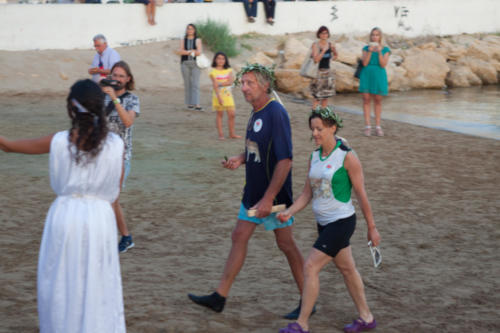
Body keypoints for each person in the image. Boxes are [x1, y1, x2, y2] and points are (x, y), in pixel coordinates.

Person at [0, 79, 126, 332]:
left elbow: (7, 145)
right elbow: (115, 191)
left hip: (65, 216)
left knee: (61, 281)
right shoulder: (116, 145)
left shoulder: (58, 141)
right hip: (101, 219)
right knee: (98, 281)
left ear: (72, 108)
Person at [188, 63, 307, 320]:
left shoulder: (276, 113)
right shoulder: (256, 111)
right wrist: (240, 158)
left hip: (273, 196)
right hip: (253, 191)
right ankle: (220, 296)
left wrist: (268, 198)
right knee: (239, 235)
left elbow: (285, 160)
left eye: (249, 83)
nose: (243, 88)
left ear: (265, 86)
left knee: (286, 245)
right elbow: (257, 148)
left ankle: (308, 298)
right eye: (242, 83)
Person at [277, 106, 381, 333]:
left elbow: (362, 195)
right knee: (347, 269)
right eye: (312, 129)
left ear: (333, 128)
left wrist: (371, 228)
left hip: (342, 222)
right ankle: (366, 317)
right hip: (323, 224)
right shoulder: (314, 156)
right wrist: (290, 212)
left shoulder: (347, 156)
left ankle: (302, 324)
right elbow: (307, 193)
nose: (315, 133)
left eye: (319, 129)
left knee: (311, 266)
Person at [101, 60, 140, 253]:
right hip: (100, 155)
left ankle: (125, 236)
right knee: (103, 197)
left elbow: (128, 122)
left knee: (112, 199)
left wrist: (115, 99)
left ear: (128, 79)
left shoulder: (132, 99)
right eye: (114, 75)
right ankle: (122, 236)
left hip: (121, 157)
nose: (116, 79)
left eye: (121, 76)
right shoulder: (101, 97)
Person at [359, 27, 391, 137]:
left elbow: (383, 64)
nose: (375, 37)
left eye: (377, 35)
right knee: (366, 100)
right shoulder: (365, 48)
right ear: (370, 36)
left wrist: (379, 53)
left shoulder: (385, 49)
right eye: (373, 35)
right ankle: (368, 126)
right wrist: (370, 51)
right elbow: (364, 63)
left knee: (378, 100)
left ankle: (378, 126)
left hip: (379, 75)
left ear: (380, 37)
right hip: (367, 74)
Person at [209, 52, 241, 140]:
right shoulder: (213, 71)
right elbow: (215, 86)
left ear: (225, 60)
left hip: (228, 95)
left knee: (232, 114)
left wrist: (219, 83)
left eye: (223, 58)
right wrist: (219, 97)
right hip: (218, 95)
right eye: (218, 58)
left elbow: (230, 82)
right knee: (220, 114)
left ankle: (232, 134)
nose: (220, 60)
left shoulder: (229, 70)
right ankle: (221, 134)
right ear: (215, 59)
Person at [309, 26, 338, 110]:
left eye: (326, 33)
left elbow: (335, 57)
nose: (324, 35)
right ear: (319, 34)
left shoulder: (330, 44)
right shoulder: (315, 45)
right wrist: (324, 51)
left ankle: (323, 118)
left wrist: (334, 51)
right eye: (322, 33)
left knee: (325, 98)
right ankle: (314, 117)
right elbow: (316, 60)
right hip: (318, 74)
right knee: (317, 98)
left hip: (327, 73)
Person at [177, 23, 203, 111]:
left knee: (195, 84)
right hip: (185, 63)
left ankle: (197, 103)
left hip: (196, 64)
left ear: (194, 30)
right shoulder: (183, 40)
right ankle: (189, 103)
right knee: (187, 84)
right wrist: (192, 51)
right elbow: (180, 52)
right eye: (188, 29)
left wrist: (187, 51)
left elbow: (199, 52)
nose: (189, 30)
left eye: (191, 29)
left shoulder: (197, 40)